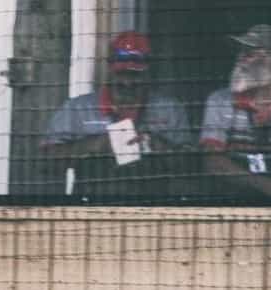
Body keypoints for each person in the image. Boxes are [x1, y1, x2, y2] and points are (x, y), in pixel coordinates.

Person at [42, 32, 193, 201]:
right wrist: (94, 145)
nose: (127, 82)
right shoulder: (78, 108)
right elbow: (47, 164)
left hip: (153, 208)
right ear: (109, 68)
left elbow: (190, 167)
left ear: (148, 72)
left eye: (135, 75)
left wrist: (155, 145)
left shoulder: (168, 108)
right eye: (122, 74)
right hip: (93, 208)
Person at [201, 25, 271, 201]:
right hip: (233, 204)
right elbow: (212, 162)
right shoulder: (220, 101)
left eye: (249, 53)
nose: (240, 59)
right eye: (240, 52)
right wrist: (263, 184)